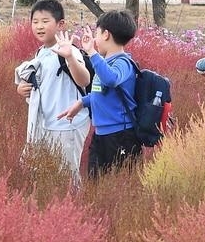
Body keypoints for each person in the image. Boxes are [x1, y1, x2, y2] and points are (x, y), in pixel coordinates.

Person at [14, 0, 92, 187]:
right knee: (44, 176)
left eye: (45, 21)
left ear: (60, 24)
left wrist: (69, 58)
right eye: (35, 22)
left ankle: (74, 213)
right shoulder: (41, 52)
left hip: (67, 126)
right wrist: (22, 89)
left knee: (68, 177)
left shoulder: (69, 50)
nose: (39, 26)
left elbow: (84, 80)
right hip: (45, 125)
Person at [57, 10, 142, 179]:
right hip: (101, 135)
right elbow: (100, 91)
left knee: (120, 185)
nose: (94, 40)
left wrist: (92, 53)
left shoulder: (123, 62)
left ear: (106, 34)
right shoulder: (104, 63)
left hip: (121, 135)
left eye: (96, 34)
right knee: (95, 184)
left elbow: (111, 80)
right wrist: (81, 103)